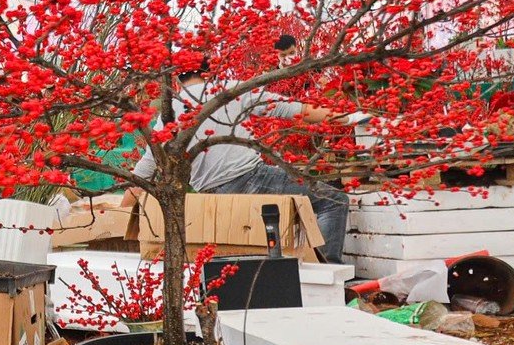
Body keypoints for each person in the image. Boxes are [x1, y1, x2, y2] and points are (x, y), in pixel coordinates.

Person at [132, 64, 354, 259]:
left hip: (210, 197)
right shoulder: (230, 90)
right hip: (249, 179)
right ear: (210, 72)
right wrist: (352, 118)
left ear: (176, 79)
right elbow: (297, 110)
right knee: (334, 201)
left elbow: (148, 165)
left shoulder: (169, 114)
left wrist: (121, 214)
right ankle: (330, 274)